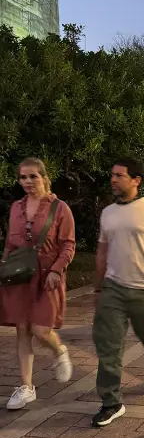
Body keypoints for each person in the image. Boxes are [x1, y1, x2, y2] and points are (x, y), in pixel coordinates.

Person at [91, 159, 144, 427]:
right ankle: (111, 402)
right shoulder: (107, 213)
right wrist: (97, 287)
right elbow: (102, 252)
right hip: (113, 290)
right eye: (112, 175)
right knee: (108, 346)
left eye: (119, 175)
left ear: (136, 180)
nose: (113, 180)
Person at [1, 158, 75, 410]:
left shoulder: (60, 208)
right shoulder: (15, 208)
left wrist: (57, 269)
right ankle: (26, 387)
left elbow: (68, 244)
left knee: (40, 330)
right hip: (20, 277)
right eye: (23, 177)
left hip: (47, 277)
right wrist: (4, 268)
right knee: (22, 329)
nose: (28, 182)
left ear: (44, 177)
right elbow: (10, 244)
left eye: (33, 176)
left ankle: (59, 351)